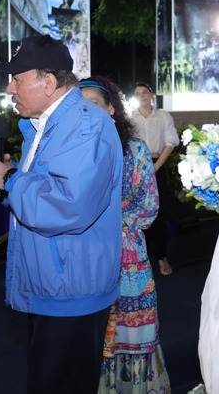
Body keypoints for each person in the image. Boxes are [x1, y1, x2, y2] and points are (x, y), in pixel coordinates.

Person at [0, 34, 122, 394]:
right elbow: (44, 192)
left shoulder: (85, 125)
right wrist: (6, 182)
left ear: (49, 83)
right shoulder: (46, 124)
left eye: (17, 79)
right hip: (53, 282)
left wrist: (10, 179)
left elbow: (67, 206)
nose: (10, 88)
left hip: (71, 289)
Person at [78, 76, 171, 394]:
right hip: (83, 256)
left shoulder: (134, 149)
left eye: (94, 104)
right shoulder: (69, 151)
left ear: (111, 109)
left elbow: (148, 206)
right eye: (80, 106)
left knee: (131, 333)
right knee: (88, 334)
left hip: (127, 255)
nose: (86, 111)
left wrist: (107, 222)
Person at [131, 82, 179, 277]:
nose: (142, 96)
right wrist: (140, 169)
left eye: (145, 92)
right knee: (137, 213)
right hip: (136, 169)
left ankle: (161, 256)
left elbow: (170, 142)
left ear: (151, 95)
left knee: (158, 214)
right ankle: (140, 258)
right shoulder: (130, 118)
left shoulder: (163, 116)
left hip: (157, 166)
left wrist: (155, 167)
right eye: (137, 93)